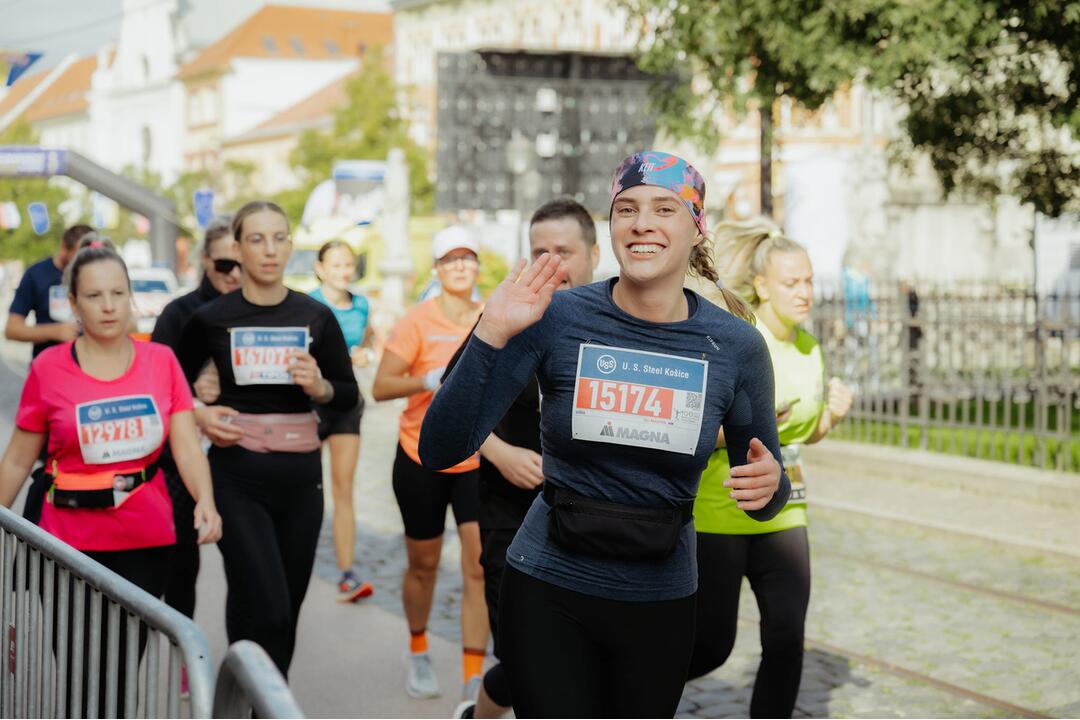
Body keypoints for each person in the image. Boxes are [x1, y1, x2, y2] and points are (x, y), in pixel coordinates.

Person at [419, 151, 789, 718]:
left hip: (660, 598)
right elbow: (440, 447)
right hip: (548, 585)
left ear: (696, 229)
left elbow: (768, 495)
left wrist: (770, 485)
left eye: (665, 209)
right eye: (627, 209)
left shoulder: (736, 347)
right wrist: (490, 334)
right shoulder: (556, 316)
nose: (643, 223)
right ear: (612, 226)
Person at [0, 239, 222, 715]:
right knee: (81, 674)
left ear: (130, 298)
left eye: (118, 294)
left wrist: (205, 500)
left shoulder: (161, 361)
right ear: (73, 303)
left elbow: (184, 443)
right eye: (95, 296)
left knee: (119, 672)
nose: (108, 306)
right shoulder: (48, 368)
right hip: (65, 545)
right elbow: (19, 459)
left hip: (144, 540)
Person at [176, 200, 358, 676]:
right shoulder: (211, 318)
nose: (269, 250)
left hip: (301, 479)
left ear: (291, 246)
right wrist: (199, 411)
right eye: (256, 239)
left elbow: (348, 395)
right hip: (236, 477)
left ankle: (253, 703)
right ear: (237, 248)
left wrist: (319, 387)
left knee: (284, 611)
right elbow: (168, 387)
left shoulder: (316, 316)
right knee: (268, 603)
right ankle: (249, 699)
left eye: (279, 238)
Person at [687, 219, 853, 718]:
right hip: (721, 509)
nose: (804, 293)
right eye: (791, 283)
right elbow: (691, 426)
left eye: (808, 281)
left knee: (785, 640)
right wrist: (746, 426)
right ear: (761, 285)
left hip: (785, 511)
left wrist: (831, 417)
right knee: (711, 644)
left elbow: (803, 433)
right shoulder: (734, 335)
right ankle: (626, 692)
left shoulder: (809, 348)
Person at [447, 198, 599, 719]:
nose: (551, 262)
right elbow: (451, 398)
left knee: (572, 662)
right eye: (539, 251)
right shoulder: (512, 315)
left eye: (564, 250)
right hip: (510, 516)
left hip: (591, 526)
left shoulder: (619, 322)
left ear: (594, 255)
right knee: (524, 661)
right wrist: (500, 451)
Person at [372, 225, 488, 702]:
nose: (460, 266)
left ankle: (473, 672)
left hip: (480, 459)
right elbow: (380, 387)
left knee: (479, 565)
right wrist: (430, 378)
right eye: (450, 259)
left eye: (467, 258)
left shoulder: (490, 316)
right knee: (423, 565)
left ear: (477, 266)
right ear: (436, 269)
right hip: (420, 455)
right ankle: (418, 648)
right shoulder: (416, 321)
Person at [150, 215, 240, 627]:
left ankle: (247, 662)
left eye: (241, 262)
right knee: (181, 563)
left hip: (237, 456)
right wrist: (195, 400)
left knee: (248, 566)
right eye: (224, 264)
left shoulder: (259, 310)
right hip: (179, 459)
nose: (234, 273)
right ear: (205, 260)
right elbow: (155, 386)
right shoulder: (178, 312)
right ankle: (182, 655)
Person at [310, 239, 376, 602]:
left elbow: (366, 343)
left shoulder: (362, 304)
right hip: (309, 406)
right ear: (320, 268)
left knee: (343, 490)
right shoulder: (306, 303)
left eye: (348, 265)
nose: (343, 272)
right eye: (335, 265)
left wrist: (364, 355)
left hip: (347, 403)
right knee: (304, 487)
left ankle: (347, 574)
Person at [5, 223, 92, 359]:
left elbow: (129, 323)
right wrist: (53, 331)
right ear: (64, 248)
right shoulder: (36, 275)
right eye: (79, 257)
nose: (85, 263)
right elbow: (12, 330)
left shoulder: (95, 275)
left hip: (90, 369)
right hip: (47, 368)